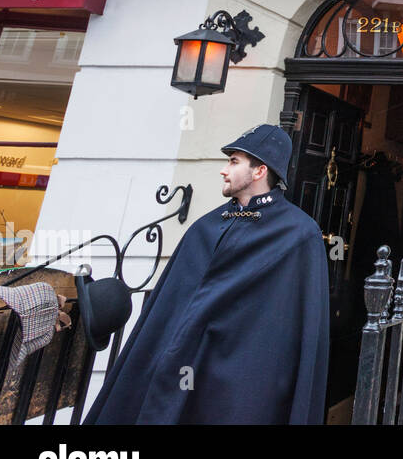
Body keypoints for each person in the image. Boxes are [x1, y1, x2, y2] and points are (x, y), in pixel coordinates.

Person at [85, 124, 330, 424]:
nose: (224, 170)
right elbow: (166, 312)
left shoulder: (298, 234)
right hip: (178, 372)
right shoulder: (205, 227)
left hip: (236, 390)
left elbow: (296, 328)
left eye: (234, 161)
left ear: (259, 171)